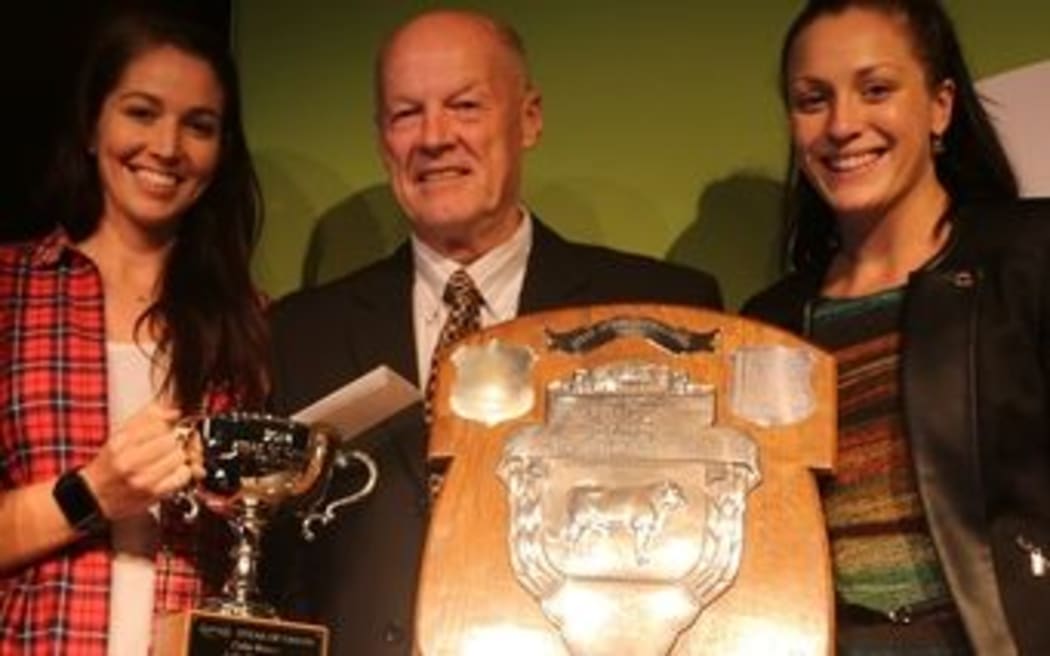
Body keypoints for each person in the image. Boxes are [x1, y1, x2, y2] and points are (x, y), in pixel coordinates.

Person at [262, 8, 722, 655]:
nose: (434, 136)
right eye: (405, 113)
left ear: (528, 118)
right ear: (381, 139)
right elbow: (283, 573)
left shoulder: (661, 313)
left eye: (465, 105)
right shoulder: (301, 332)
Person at [743, 0, 1050, 653]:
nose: (842, 125)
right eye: (812, 100)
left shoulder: (1030, 257)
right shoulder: (766, 324)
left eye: (876, 89)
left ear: (940, 106)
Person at [0, 8, 269, 655]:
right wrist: (90, 493)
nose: (168, 148)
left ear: (221, 152)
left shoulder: (253, 320)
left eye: (198, 126)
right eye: (142, 112)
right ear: (93, 125)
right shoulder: (9, 290)